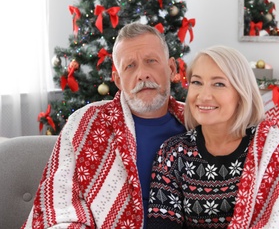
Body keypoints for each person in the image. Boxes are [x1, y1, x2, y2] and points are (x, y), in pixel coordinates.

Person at [22, 22, 186, 228]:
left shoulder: (201, 124)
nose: (142, 74)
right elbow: (60, 206)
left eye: (151, 61)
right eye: (130, 66)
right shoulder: (84, 125)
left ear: (171, 68)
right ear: (117, 79)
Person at [147, 45, 279, 228]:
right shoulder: (172, 153)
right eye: (197, 82)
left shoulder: (272, 152)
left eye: (219, 84)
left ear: (241, 94)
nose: (204, 95)